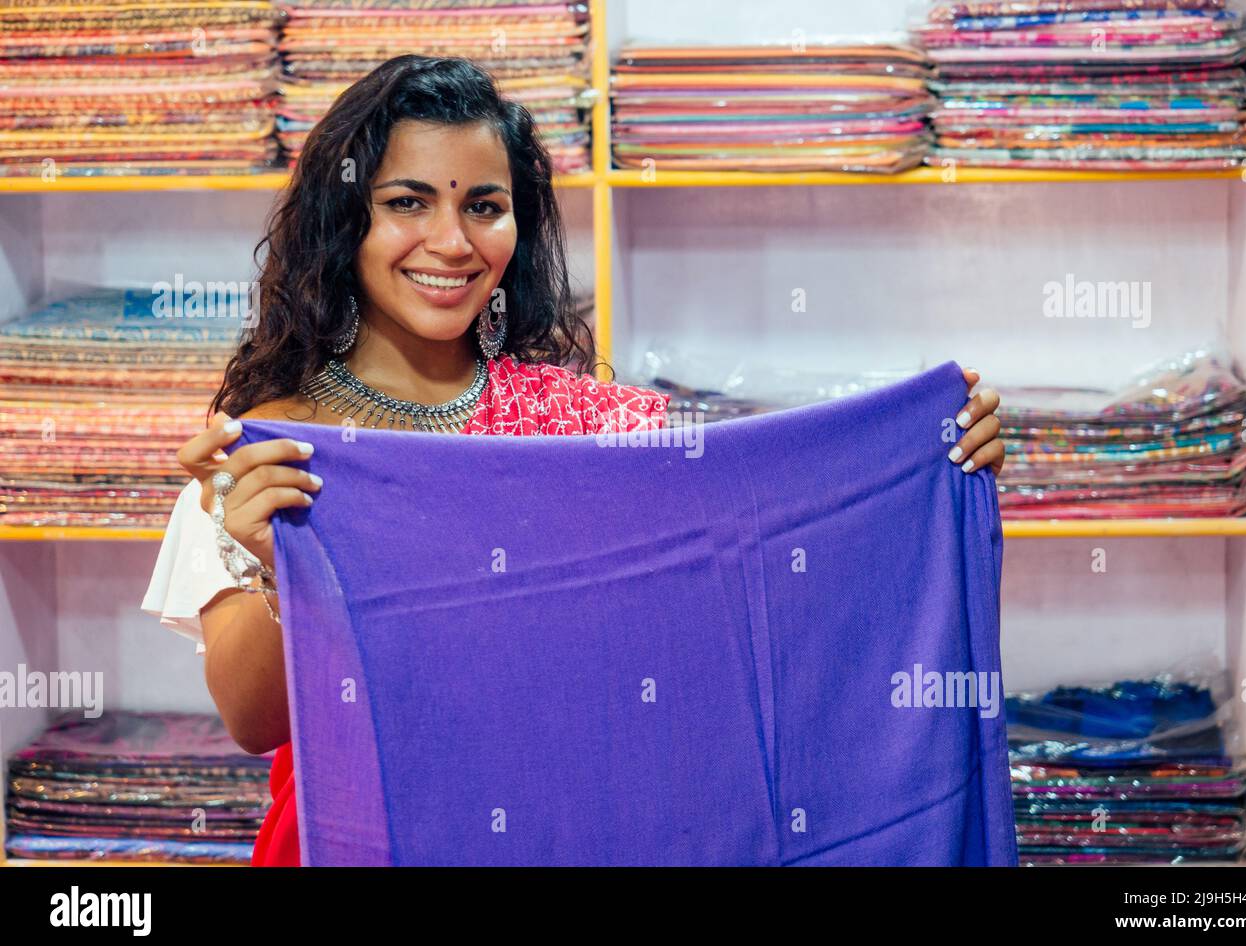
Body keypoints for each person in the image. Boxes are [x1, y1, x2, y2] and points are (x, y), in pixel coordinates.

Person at [141, 55, 1005, 867]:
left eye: (484, 205)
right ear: (346, 219)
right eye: (408, 202)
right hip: (375, 839)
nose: (451, 241)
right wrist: (273, 565)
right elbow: (256, 724)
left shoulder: (589, 434)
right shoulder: (265, 450)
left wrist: (922, 475)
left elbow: (751, 587)